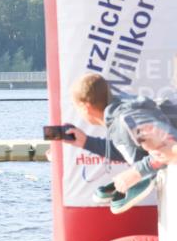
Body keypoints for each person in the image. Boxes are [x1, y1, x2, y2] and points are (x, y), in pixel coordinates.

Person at [63, 73, 177, 214]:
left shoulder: (128, 119)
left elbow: (171, 147)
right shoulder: (119, 117)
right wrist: (86, 142)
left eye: (76, 108)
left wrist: (135, 173)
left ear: (85, 107)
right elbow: (131, 149)